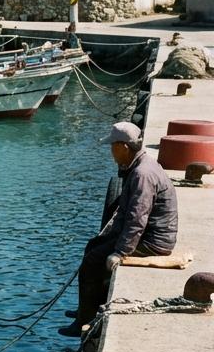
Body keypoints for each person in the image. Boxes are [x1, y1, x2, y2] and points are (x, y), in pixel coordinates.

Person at [58, 121, 178, 337]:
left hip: (153, 241)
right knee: (93, 246)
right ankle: (86, 308)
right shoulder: (140, 166)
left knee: (93, 260)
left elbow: (137, 219)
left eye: (112, 146)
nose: (111, 152)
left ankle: (84, 320)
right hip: (148, 234)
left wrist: (121, 252)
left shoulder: (142, 175)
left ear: (123, 147)